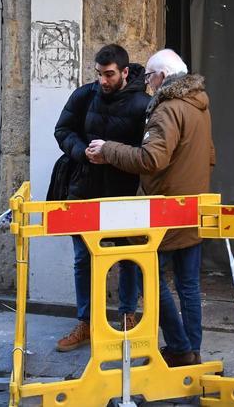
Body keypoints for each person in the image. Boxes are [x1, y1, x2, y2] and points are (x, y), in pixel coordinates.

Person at [86, 49, 214, 368]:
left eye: (150, 77)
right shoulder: (200, 103)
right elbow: (210, 155)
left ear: (162, 75)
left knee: (149, 278)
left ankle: (179, 346)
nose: (148, 84)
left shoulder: (167, 109)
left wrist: (109, 149)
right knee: (188, 285)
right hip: (193, 205)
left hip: (167, 210)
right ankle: (191, 352)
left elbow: (151, 159)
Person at [53, 44, 150, 352]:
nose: (103, 81)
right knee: (83, 258)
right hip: (84, 188)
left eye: (109, 75)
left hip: (124, 193)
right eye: (99, 74)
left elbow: (147, 152)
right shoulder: (85, 95)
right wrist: (83, 153)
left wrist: (112, 155)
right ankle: (87, 322)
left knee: (128, 258)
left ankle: (127, 317)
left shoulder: (143, 104)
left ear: (124, 72)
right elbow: (63, 130)